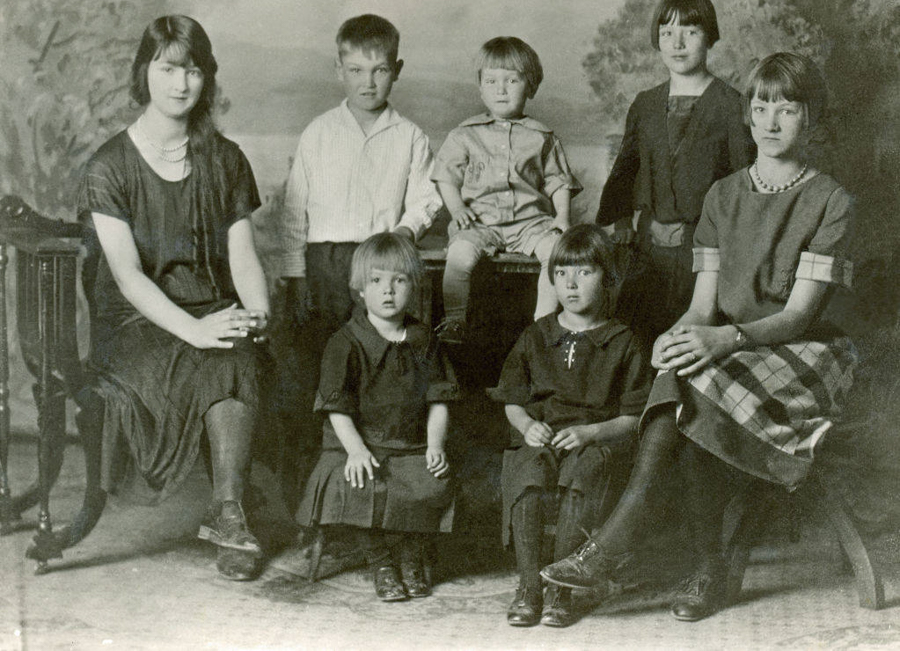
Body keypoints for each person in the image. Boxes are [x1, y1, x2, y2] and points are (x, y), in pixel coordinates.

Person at [540, 52, 856, 622]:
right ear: (748, 114)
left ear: (811, 119)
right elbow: (703, 307)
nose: (771, 121)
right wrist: (675, 336)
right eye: (762, 107)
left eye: (788, 110)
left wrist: (721, 340)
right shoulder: (722, 196)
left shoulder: (831, 201)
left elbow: (798, 317)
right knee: (680, 370)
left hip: (803, 352)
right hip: (732, 348)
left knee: (698, 381)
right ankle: (707, 566)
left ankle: (618, 547)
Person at [77, 16, 271, 580]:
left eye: (193, 70)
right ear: (144, 72)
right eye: (167, 68)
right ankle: (231, 511)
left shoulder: (225, 158)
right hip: (134, 322)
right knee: (211, 354)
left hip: (207, 304)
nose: (181, 84)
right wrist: (195, 330)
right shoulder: (108, 165)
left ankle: (226, 512)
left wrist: (257, 311)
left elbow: (242, 255)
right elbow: (127, 276)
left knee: (238, 351)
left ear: (207, 77)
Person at [274, 14, 443, 499]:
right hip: (324, 266)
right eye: (355, 70)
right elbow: (294, 211)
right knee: (317, 370)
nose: (368, 82)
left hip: (380, 268)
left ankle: (376, 484)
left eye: (380, 70)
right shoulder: (318, 132)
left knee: (377, 371)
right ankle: (310, 488)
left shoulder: (409, 136)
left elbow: (427, 198)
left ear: (397, 70)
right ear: (339, 70)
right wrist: (295, 276)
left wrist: (402, 234)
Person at [488, 225, 651, 628]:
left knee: (584, 471)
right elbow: (512, 399)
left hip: (596, 439)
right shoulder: (537, 335)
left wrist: (591, 433)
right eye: (561, 273)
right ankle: (529, 585)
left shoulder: (624, 341)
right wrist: (527, 424)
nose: (571, 284)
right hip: (543, 435)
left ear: (608, 278)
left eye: (584, 272)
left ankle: (560, 587)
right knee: (526, 469)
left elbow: (634, 418)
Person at [295, 233, 458, 602]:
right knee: (359, 483)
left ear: (414, 286)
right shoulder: (345, 342)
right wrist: (355, 450)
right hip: (354, 442)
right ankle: (380, 560)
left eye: (399, 280)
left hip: (408, 442)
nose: (388, 290)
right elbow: (336, 407)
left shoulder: (424, 340)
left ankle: (411, 555)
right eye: (376, 280)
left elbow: (439, 400)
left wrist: (434, 445)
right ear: (360, 289)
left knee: (430, 481)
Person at [598, 0, 754, 342]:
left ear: (710, 37)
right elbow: (627, 167)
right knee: (635, 337)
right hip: (648, 246)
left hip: (705, 251)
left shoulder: (732, 106)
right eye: (667, 33)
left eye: (690, 31)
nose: (677, 43)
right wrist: (622, 219)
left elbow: (744, 181)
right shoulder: (645, 104)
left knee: (690, 339)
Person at [431, 36, 582, 344]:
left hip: (530, 223)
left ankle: (543, 325)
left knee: (556, 253)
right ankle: (455, 321)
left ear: (531, 87)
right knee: (459, 255)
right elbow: (446, 176)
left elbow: (558, 181)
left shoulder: (542, 137)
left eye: (512, 80)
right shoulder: (464, 135)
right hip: (480, 222)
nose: (501, 90)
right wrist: (457, 208)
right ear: (480, 87)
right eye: (491, 81)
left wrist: (563, 216)